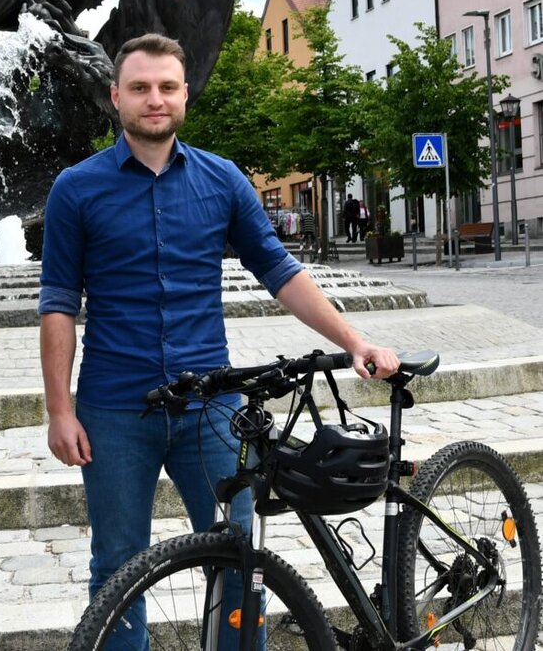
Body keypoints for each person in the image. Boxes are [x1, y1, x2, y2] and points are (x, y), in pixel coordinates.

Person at [39, 33, 400, 650]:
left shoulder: (222, 179)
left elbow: (280, 270)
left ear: (184, 94)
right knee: (118, 571)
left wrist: (354, 339)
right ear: (115, 96)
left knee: (241, 562)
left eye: (167, 87)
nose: (154, 99)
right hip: (115, 410)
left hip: (214, 409)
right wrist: (59, 409)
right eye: (140, 88)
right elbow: (58, 305)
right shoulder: (77, 187)